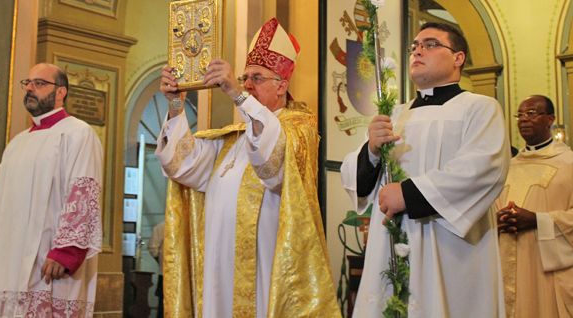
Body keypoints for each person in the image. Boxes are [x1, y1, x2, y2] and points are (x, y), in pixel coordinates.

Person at [156, 17, 340, 317]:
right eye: (245, 78)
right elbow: (181, 164)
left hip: (264, 266)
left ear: (282, 85)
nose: (248, 85)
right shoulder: (232, 139)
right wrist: (176, 104)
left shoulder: (299, 129)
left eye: (257, 77)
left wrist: (236, 93)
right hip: (218, 268)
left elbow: (273, 165)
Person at [340, 22, 510, 317]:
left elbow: (484, 168)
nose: (418, 50)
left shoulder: (480, 108)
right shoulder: (394, 114)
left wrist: (407, 194)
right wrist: (372, 150)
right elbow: (354, 175)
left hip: (450, 248)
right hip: (392, 244)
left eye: (430, 44)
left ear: (458, 57)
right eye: (415, 46)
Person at [0, 63, 103, 316]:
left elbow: (84, 191)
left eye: (40, 83)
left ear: (61, 92)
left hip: (50, 263)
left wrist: (67, 251)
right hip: (8, 264)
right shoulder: (16, 143)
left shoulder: (78, 133)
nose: (30, 89)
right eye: (28, 83)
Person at [495, 95, 573, 317]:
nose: (523, 120)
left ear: (550, 119)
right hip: (507, 258)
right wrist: (496, 220)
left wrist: (538, 220)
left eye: (531, 113)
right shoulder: (508, 166)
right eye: (520, 115)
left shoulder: (568, 163)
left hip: (547, 270)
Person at [148, 221, 165, 318]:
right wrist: (162, 261)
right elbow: (153, 249)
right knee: (163, 303)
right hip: (166, 273)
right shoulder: (161, 227)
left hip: (184, 274)